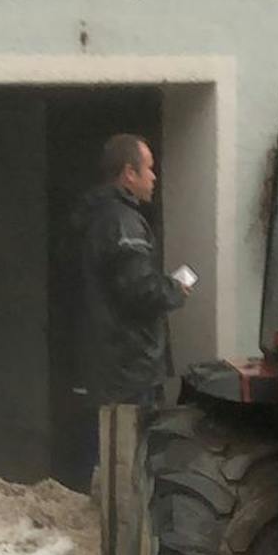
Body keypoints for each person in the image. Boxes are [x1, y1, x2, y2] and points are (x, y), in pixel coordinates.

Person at [78, 134, 190, 408]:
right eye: (149, 168)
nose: (154, 177)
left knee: (108, 442)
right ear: (129, 173)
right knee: (128, 445)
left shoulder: (101, 215)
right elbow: (140, 290)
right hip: (129, 368)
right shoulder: (123, 222)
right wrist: (175, 289)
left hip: (112, 364)